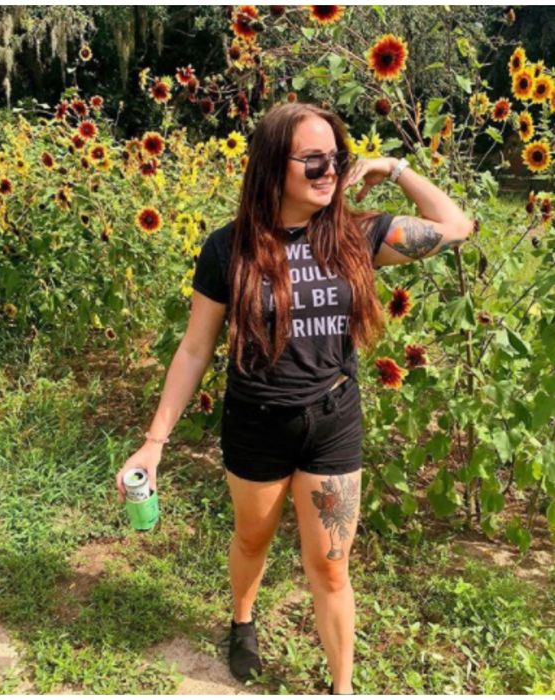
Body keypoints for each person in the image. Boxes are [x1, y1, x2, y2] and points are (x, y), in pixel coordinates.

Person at [116, 102, 473, 694]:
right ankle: (242, 621)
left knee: (331, 567)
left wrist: (395, 167)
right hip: (256, 422)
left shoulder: (359, 235)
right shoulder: (228, 249)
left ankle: (342, 688)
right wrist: (154, 443)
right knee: (251, 539)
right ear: (270, 167)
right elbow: (194, 350)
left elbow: (457, 226)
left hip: (332, 420)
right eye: (312, 160)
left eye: (335, 158)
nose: (328, 172)